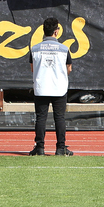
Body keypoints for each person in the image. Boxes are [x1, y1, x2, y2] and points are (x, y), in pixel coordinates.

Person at [28, 17, 73, 156]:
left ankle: (39, 148)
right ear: (56, 31)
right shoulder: (64, 49)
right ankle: (60, 148)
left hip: (41, 87)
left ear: (44, 31)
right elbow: (69, 68)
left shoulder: (35, 49)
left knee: (41, 118)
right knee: (59, 118)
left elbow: (32, 68)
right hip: (59, 87)